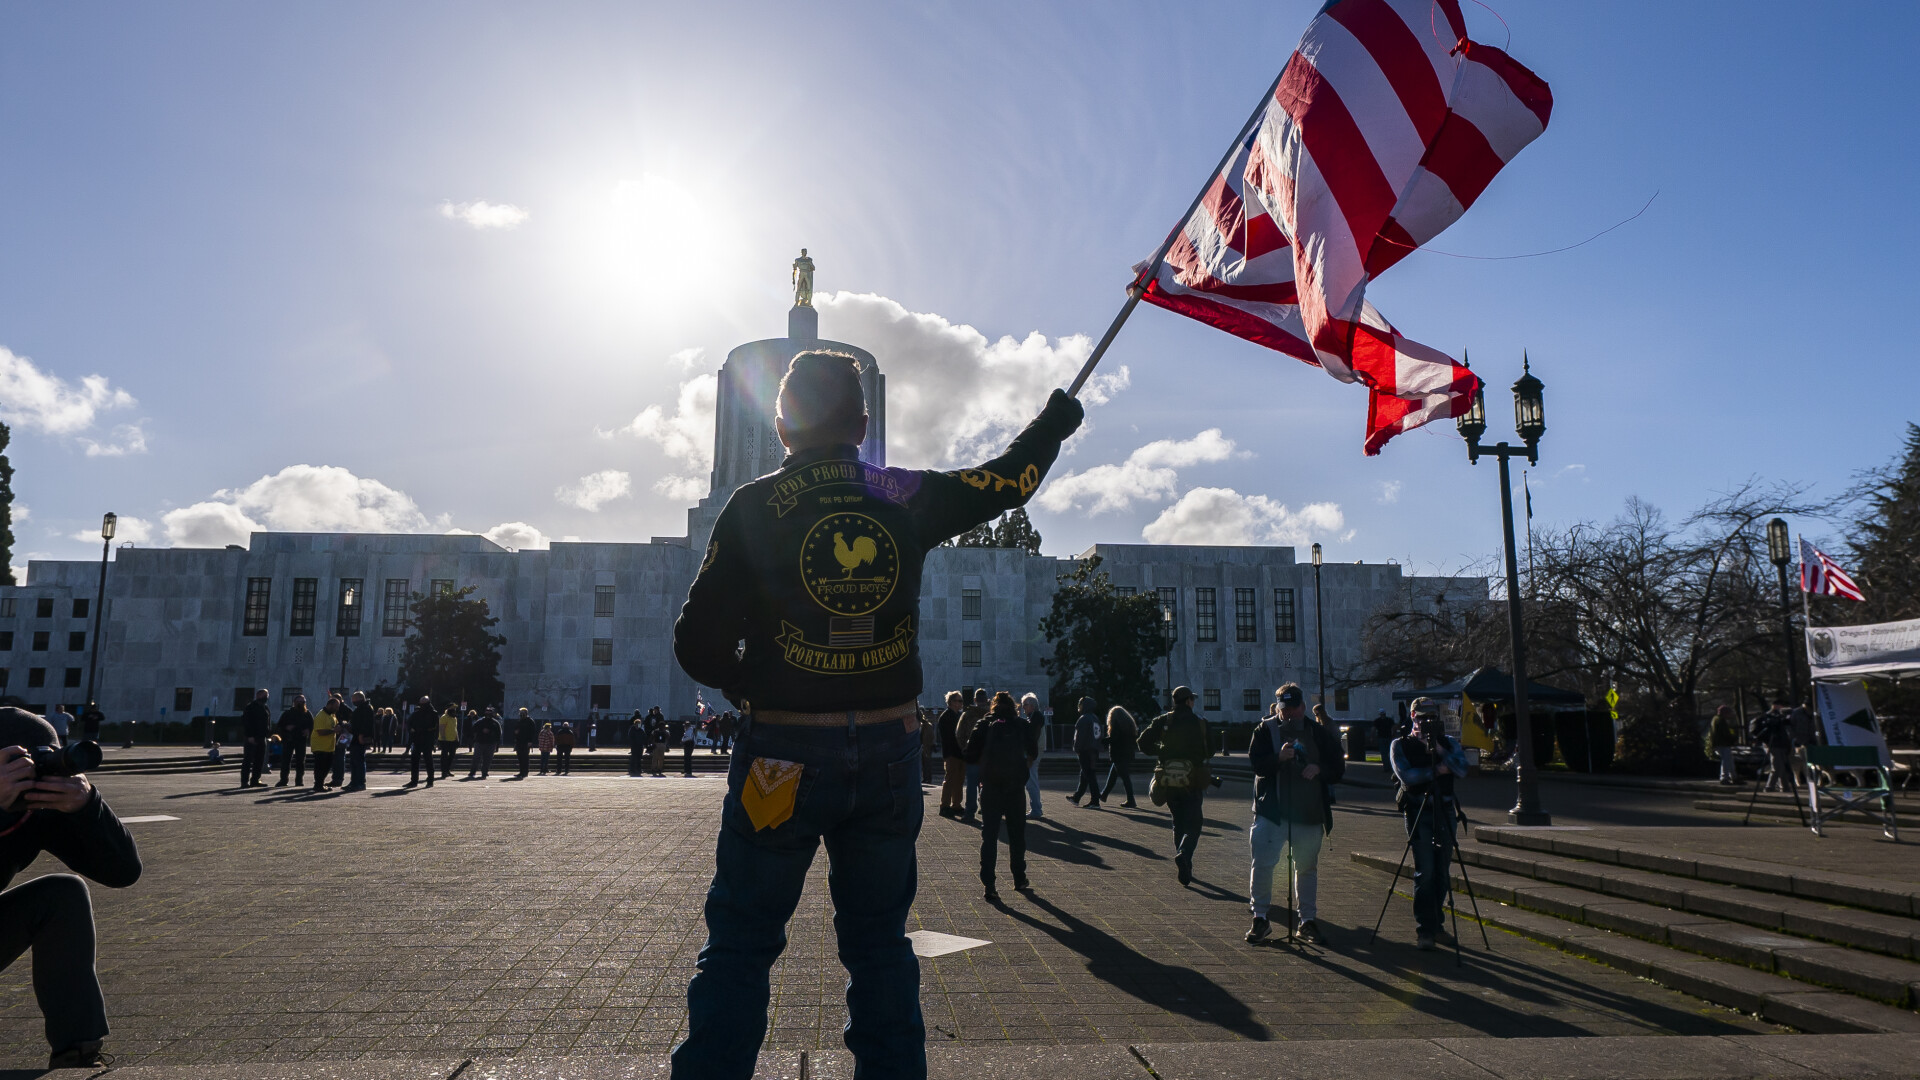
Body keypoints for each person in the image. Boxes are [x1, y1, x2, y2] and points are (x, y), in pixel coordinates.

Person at [669, 350, 1082, 1079]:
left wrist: (753, 685)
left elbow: (695, 643)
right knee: (880, 943)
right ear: (862, 425)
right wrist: (1055, 421)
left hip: (780, 758)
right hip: (891, 758)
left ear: (781, 425)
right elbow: (1009, 480)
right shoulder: (902, 493)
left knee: (740, 944)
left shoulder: (755, 507)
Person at [0, 707, 142, 1070]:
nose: (32, 773)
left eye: (45, 759)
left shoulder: (37, 809)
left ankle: (76, 1051)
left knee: (64, 894)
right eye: (18, 761)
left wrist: (87, 806)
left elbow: (123, 872)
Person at [1245, 684, 1331, 945]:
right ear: (1278, 708)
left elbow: (1337, 765)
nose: (1290, 714)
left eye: (1294, 709)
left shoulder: (1317, 731)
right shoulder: (1264, 730)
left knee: (1307, 868)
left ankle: (1307, 921)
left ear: (1303, 707)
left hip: (1308, 812)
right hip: (1273, 812)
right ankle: (1260, 918)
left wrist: (1318, 768)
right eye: (1285, 710)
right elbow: (1256, 764)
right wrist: (1278, 758)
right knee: (1263, 864)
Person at [1390, 697, 1469, 951]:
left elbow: (1462, 769)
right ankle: (1425, 929)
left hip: (1445, 810)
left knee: (1442, 872)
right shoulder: (1400, 744)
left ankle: (1438, 926)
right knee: (1425, 872)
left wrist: (1439, 749)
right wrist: (1436, 770)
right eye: (1422, 717)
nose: (1427, 721)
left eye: (1432, 717)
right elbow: (1408, 777)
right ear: (1412, 716)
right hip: (1418, 810)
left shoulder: (1448, 743)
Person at [966, 691, 1038, 902]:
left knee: (989, 836)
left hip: (991, 787)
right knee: (1017, 835)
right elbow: (1033, 751)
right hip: (1015, 787)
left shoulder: (984, 724)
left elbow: (969, 753)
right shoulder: (1021, 725)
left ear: (993, 706)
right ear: (1013, 706)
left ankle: (989, 884)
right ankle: (1019, 877)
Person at [1139, 686, 1214, 885]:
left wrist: (1162, 752)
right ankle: (1185, 855)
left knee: (1178, 821)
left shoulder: (1164, 721)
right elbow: (1212, 750)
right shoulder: (1200, 723)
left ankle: (1184, 862)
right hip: (1193, 780)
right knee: (1195, 823)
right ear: (1189, 701)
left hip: (1169, 780)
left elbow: (1142, 743)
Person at [1100, 706, 1139, 807]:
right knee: (1113, 776)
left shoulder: (1116, 725)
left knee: (1125, 778)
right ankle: (1103, 795)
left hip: (1118, 755)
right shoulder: (1129, 725)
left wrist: (1101, 740)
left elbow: (1113, 739)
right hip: (1128, 754)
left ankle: (1131, 800)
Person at [936, 691, 967, 818]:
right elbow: (947, 738)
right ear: (952, 702)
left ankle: (956, 805)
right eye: (959, 701)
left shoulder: (959, 715)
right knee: (949, 779)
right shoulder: (946, 716)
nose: (961, 703)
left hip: (960, 753)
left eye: (961, 701)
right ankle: (944, 805)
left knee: (959, 780)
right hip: (951, 753)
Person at [1069, 696, 1103, 808]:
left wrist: (1077, 749)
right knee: (1085, 774)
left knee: (1089, 775)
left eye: (1080, 704)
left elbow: (1079, 737)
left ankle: (1095, 801)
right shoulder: (1095, 718)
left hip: (1086, 750)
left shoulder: (1084, 719)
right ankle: (1077, 797)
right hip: (1094, 750)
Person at [960, 689, 988, 822]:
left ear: (975, 700)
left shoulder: (968, 714)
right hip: (987, 755)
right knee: (987, 784)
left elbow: (959, 733)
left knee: (971, 784)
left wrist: (964, 748)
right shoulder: (991, 715)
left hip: (972, 753)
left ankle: (969, 813)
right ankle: (987, 808)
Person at [274, 695, 313, 787]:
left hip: (301, 740)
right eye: (299, 701)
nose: (301, 703)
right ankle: (283, 780)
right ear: (294, 702)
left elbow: (312, 726)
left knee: (300, 761)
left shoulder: (307, 714)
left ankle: (299, 780)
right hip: (289, 739)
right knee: (286, 760)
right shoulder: (287, 713)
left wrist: (308, 730)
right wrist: (286, 728)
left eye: (303, 702)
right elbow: (279, 726)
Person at [1018, 693, 1046, 818]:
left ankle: (1036, 809)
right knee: (1031, 780)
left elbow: (1033, 737)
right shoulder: (1034, 717)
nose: (1023, 707)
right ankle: (1036, 808)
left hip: (1034, 751)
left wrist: (1029, 754)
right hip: (1036, 750)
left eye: (1026, 705)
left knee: (1031, 781)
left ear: (1033, 706)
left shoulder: (1036, 717)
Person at [238, 689, 271, 788]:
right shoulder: (250, 707)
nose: (267, 697)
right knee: (248, 760)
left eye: (267, 695)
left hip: (262, 737)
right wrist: (250, 735)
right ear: (259, 695)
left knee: (259, 760)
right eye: (265, 695)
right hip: (252, 737)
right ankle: (244, 781)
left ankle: (255, 780)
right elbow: (246, 722)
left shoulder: (265, 707)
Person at [406, 697, 439, 788]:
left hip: (428, 740)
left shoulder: (433, 714)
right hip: (417, 739)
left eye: (424, 703)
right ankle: (414, 781)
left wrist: (435, 741)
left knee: (428, 761)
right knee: (415, 761)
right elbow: (409, 723)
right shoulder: (416, 714)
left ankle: (430, 780)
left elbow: (436, 729)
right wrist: (411, 730)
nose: (422, 705)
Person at [309, 698, 340, 793]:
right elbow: (320, 731)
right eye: (336, 707)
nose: (337, 709)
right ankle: (318, 785)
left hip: (329, 747)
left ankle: (320, 783)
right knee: (320, 767)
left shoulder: (332, 715)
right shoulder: (321, 715)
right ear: (330, 705)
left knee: (327, 766)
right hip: (320, 746)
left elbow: (336, 725)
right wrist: (333, 730)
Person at [1710, 705, 1742, 785]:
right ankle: (1725, 778)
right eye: (1729, 713)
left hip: (1719, 744)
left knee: (1729, 760)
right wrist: (1733, 739)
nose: (1730, 715)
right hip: (1723, 744)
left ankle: (1734, 777)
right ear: (1725, 713)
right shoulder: (1721, 721)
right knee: (1726, 761)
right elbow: (1726, 733)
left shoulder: (1715, 719)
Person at [470, 709, 502, 778]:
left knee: (488, 759)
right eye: (486, 713)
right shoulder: (480, 722)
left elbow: (498, 734)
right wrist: (481, 731)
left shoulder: (495, 723)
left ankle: (485, 772)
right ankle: (472, 772)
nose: (488, 715)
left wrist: (496, 744)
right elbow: (473, 730)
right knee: (476, 758)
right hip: (479, 742)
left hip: (491, 743)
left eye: (489, 713)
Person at [438, 703, 461, 780]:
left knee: (452, 756)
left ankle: (447, 770)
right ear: (449, 709)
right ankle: (443, 771)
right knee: (444, 756)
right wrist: (443, 738)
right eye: (453, 709)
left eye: (455, 709)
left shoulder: (454, 718)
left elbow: (455, 729)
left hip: (453, 740)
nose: (454, 710)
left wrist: (457, 738)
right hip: (445, 740)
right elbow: (441, 728)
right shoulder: (444, 717)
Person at [511, 708, 536, 779]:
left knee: (525, 757)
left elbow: (532, 732)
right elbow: (515, 730)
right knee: (520, 757)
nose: (521, 714)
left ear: (526, 713)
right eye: (520, 712)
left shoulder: (530, 721)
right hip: (519, 742)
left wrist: (530, 741)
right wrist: (515, 733)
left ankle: (525, 772)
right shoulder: (519, 721)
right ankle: (521, 771)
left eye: (522, 712)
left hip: (526, 742)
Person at [628, 710, 647, 776]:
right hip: (634, 745)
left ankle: (638, 769)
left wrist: (644, 743)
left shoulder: (641, 730)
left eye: (639, 724)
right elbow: (630, 737)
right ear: (635, 724)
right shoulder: (632, 729)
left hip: (640, 745)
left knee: (639, 758)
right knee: (633, 757)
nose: (639, 725)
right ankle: (632, 769)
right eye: (638, 724)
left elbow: (644, 737)